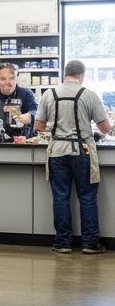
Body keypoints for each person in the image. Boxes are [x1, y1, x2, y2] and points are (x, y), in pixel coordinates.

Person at [34, 59, 112, 254]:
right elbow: (105, 128)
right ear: (82, 75)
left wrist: (57, 127)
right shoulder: (89, 95)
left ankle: (63, 243)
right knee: (87, 197)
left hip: (57, 152)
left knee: (60, 197)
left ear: (65, 74)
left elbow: (39, 127)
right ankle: (90, 243)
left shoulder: (48, 95)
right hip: (82, 151)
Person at [0, 63, 38, 135]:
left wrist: (30, 116)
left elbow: (37, 111)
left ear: (17, 78)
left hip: (23, 141)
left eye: (11, 78)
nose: (7, 82)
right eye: (3, 79)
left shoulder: (26, 94)